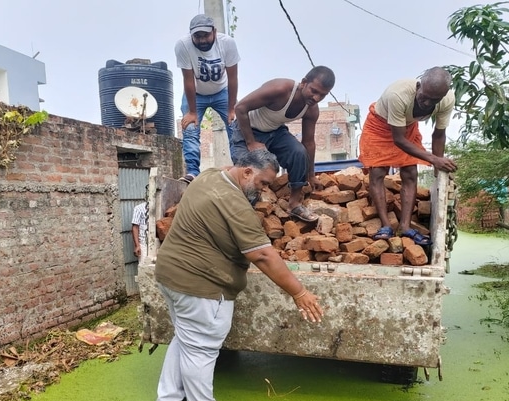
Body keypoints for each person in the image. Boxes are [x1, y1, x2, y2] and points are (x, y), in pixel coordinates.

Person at [152, 149, 324, 401]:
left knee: (185, 339)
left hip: (170, 275)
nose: (265, 191)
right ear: (246, 172)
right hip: (201, 286)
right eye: (263, 183)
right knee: (202, 349)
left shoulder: (208, 177)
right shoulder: (235, 203)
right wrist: (299, 292)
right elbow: (263, 255)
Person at [358, 67, 458, 245]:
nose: (427, 103)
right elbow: (399, 140)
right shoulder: (398, 94)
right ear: (418, 86)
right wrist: (434, 159)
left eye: (433, 100)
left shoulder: (447, 100)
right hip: (379, 126)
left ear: (443, 96)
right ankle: (386, 226)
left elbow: (439, 134)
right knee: (378, 172)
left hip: (407, 126)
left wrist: (437, 169)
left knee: (410, 172)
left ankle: (405, 227)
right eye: (424, 96)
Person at [229, 66, 335, 223]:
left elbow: (308, 142)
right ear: (304, 82)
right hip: (246, 130)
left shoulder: (311, 109)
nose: (316, 98)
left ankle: (294, 204)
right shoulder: (280, 89)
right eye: (314, 91)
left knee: (299, 152)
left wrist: (311, 175)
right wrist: (251, 142)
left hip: (275, 132)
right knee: (249, 169)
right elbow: (240, 108)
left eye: (322, 95)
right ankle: (245, 211)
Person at [175, 14, 240, 184]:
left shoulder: (227, 43)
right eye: (197, 36)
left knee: (235, 125)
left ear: (214, 32)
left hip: (222, 92)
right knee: (189, 128)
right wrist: (192, 112)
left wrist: (232, 108)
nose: (202, 40)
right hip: (195, 94)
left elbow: (233, 78)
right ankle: (193, 173)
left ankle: (239, 168)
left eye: (205, 35)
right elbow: (188, 80)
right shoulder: (183, 46)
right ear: (191, 36)